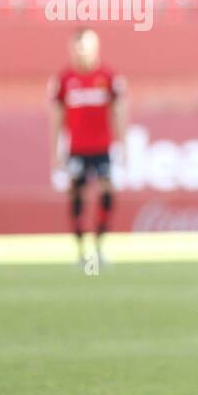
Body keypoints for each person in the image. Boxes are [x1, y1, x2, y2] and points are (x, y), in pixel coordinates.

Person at [49, 29, 127, 267]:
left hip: (102, 147)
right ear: (71, 48)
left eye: (86, 46)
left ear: (96, 47)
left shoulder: (108, 77)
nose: (82, 51)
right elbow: (56, 117)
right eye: (78, 46)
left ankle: (100, 248)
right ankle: (81, 252)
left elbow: (120, 111)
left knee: (105, 191)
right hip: (77, 149)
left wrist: (122, 144)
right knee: (77, 194)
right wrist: (55, 151)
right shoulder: (64, 80)